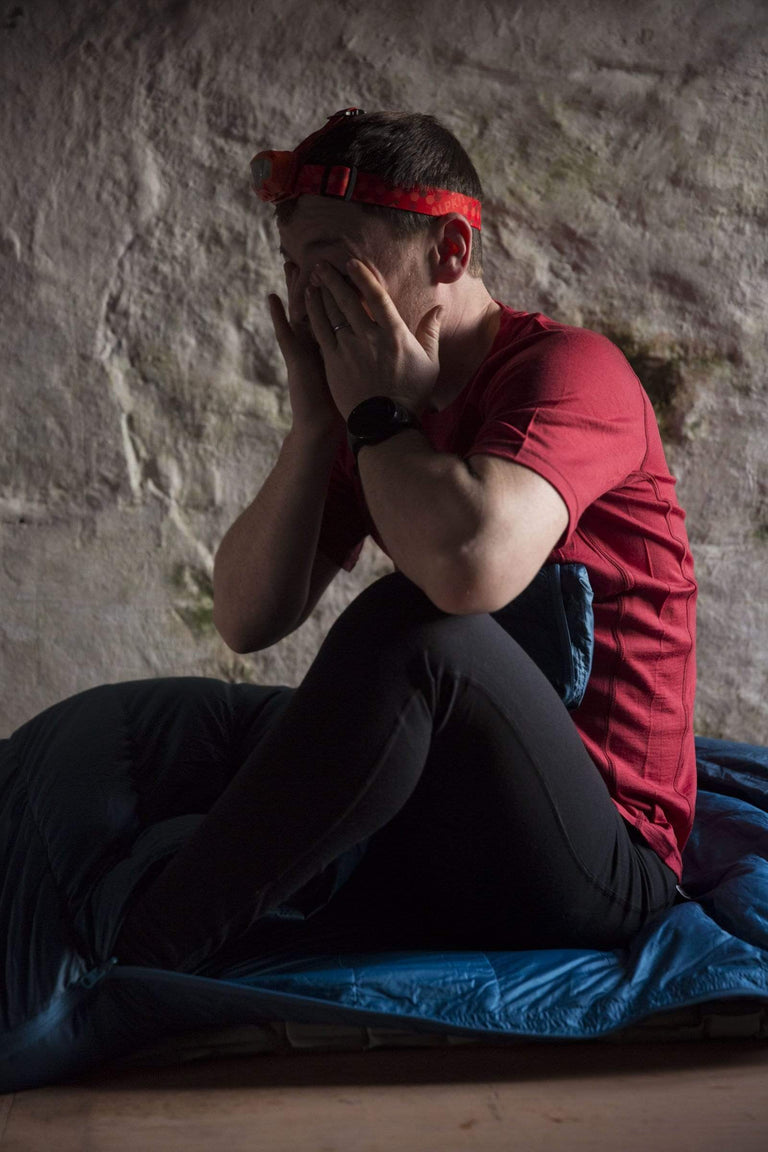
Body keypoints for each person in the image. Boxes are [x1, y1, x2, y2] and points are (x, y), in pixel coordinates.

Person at [114, 108, 697, 975]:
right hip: (455, 834)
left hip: (604, 862)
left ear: (450, 254)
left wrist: (382, 419)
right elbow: (245, 616)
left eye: (340, 271)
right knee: (200, 727)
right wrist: (318, 429)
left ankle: (136, 957)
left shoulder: (573, 374)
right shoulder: (368, 416)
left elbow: (469, 570)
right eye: (295, 276)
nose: (314, 306)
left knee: (414, 629)